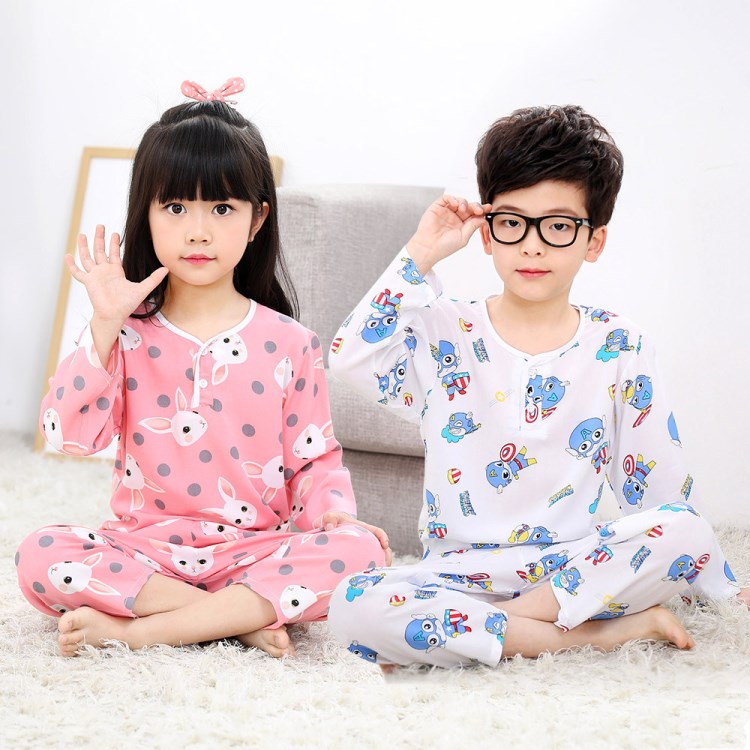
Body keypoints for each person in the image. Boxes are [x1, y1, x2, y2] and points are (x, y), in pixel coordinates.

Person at [326, 105, 749, 668]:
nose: (532, 245)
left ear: (594, 241)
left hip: (570, 571)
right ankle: (595, 637)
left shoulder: (620, 343)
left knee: (684, 530)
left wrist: (717, 583)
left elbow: (657, 485)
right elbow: (350, 357)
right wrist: (422, 251)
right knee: (353, 601)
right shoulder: (441, 329)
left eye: (558, 226)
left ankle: (498, 630)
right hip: (456, 575)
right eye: (512, 222)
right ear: (487, 233)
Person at [16, 78, 390, 658]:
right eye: (175, 207)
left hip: (253, 553)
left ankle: (143, 630)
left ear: (257, 219)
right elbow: (68, 437)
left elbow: (313, 460)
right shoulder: (126, 334)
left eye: (221, 208)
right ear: (146, 215)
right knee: (41, 553)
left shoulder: (291, 344)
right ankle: (233, 619)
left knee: (362, 554)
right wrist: (105, 326)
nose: (197, 230)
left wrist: (336, 517)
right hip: (147, 553)